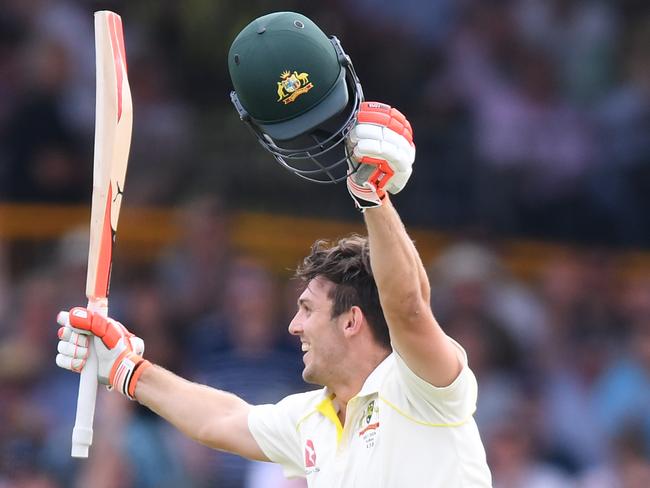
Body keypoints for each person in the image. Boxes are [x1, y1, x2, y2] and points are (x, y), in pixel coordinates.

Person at [55, 11, 491, 487]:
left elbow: (407, 307)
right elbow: (220, 420)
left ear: (351, 320)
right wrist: (126, 369)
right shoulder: (313, 419)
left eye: (307, 309)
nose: (293, 324)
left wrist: (373, 196)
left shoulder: (421, 386)